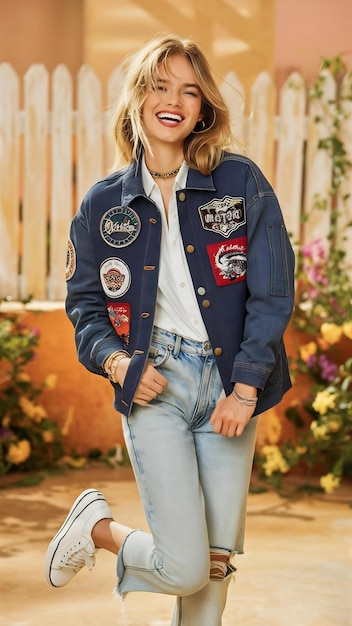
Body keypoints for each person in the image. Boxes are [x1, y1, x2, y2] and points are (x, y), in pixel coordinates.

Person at [45, 33, 295, 625]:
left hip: (229, 382)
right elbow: (84, 305)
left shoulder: (241, 183)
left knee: (212, 565)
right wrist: (117, 363)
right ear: (138, 99)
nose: (174, 101)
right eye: (160, 86)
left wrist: (246, 387)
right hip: (153, 378)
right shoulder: (104, 204)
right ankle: (97, 528)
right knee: (183, 565)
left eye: (190, 91)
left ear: (203, 108)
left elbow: (272, 291)